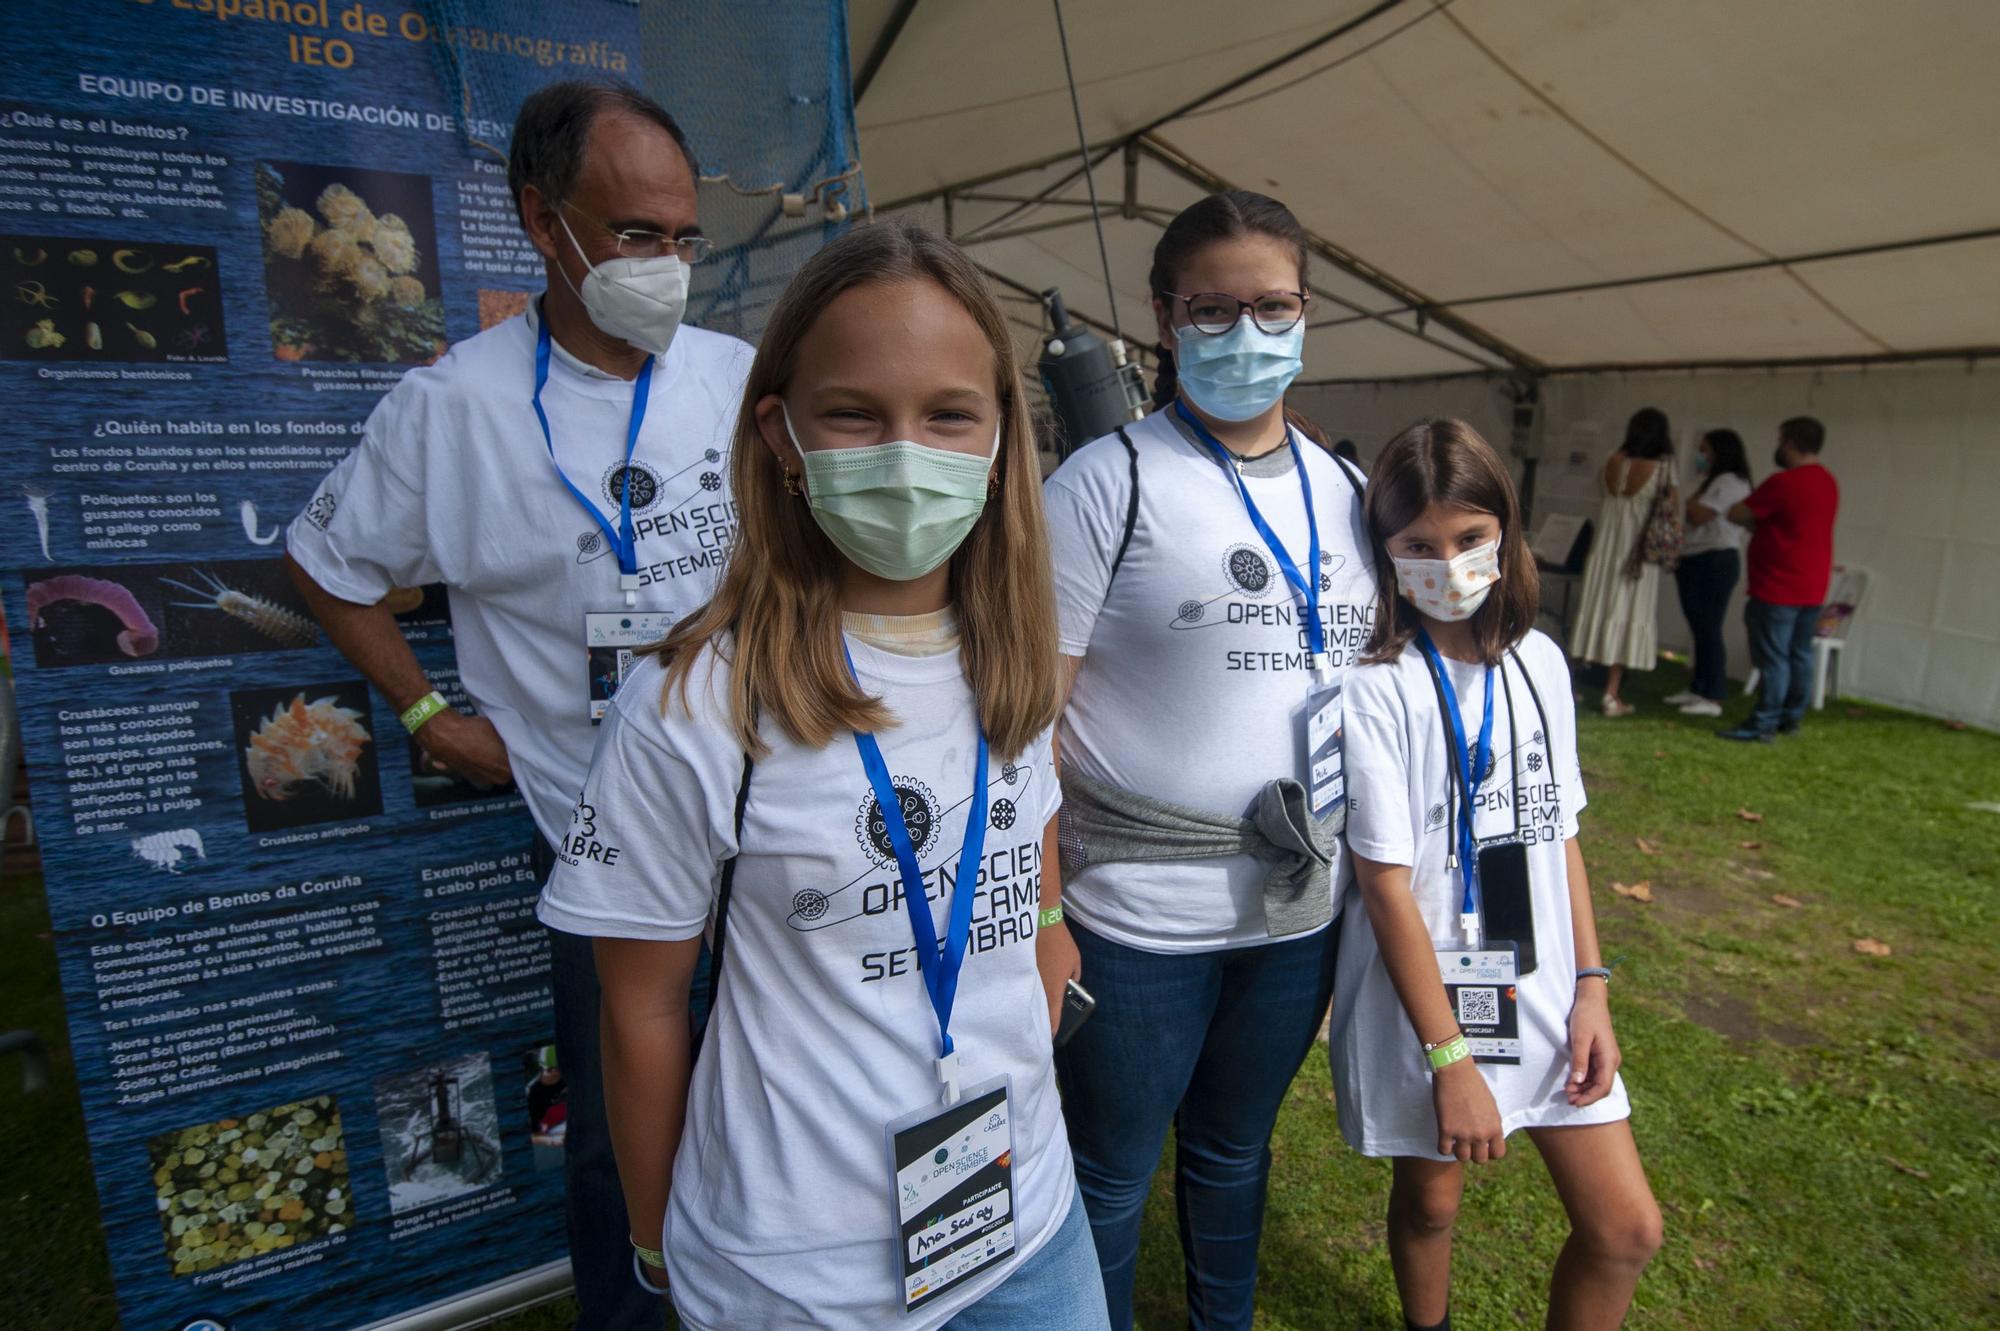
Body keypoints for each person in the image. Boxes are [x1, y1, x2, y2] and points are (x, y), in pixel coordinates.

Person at [536, 220, 1110, 1331]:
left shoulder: (1011, 653)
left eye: (949, 413)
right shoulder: (698, 700)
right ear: (781, 432)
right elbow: (641, 1004)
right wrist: (655, 1245)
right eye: (854, 411)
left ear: (1001, 438)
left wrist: (1045, 921)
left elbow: (1023, 816)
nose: (905, 451)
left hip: (1026, 1220)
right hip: (792, 1273)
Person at [284, 81, 750, 1329]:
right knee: (616, 1126)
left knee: (773, 1093)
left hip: (768, 807)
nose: (666, 264)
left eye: (683, 237)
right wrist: (428, 713)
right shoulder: (453, 408)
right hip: (596, 827)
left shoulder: (741, 381)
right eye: (635, 234)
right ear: (544, 225)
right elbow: (328, 570)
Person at [1043, 190, 1374, 1331]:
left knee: (1234, 1148)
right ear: (1161, 318)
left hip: (1294, 915)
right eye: (1214, 308)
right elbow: (1024, 724)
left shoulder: (1346, 491)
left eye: (1271, 305)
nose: (1246, 333)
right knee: (1110, 1168)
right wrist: (1045, 914)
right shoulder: (1102, 482)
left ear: (1305, 310)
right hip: (1137, 922)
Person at [1333, 417, 1662, 1331]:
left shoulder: (1543, 664)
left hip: (1545, 985)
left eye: (1471, 538)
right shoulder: (1379, 685)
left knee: (1626, 1227)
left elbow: (1560, 835)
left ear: (1507, 532)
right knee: (1432, 1201)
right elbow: (1385, 883)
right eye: (1419, 546)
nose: (1449, 563)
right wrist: (1451, 1059)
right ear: (1387, 553)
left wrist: (1592, 989)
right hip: (1430, 999)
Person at [1718, 416, 1840, 742]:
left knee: (1773, 657)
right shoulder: (1827, 481)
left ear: (1790, 442)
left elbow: (1738, 513)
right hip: (1812, 585)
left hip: (1778, 585)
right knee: (1800, 654)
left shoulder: (1784, 483)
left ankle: (1764, 721)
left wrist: (1757, 526)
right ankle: (1790, 717)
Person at [1569, 408, 1675, 716]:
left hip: (1605, 548)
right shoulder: (1663, 467)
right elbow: (1672, 509)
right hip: (1636, 553)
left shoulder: (1612, 461)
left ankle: (1571, 682)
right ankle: (1611, 694)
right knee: (1627, 613)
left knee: (1594, 609)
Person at [1664, 429, 1753, 717]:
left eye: (1705, 450)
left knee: (1708, 627)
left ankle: (1712, 694)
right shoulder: (1712, 481)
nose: (1700, 457)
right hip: (1696, 558)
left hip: (1714, 560)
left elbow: (1699, 514)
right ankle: (1699, 686)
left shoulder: (1729, 482)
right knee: (1700, 628)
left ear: (1719, 452)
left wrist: (1691, 503)